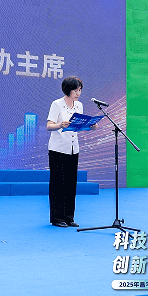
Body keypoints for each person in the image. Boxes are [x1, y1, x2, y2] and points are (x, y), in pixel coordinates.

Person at [46, 76, 96, 228]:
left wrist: (90, 126)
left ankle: (69, 217)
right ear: (67, 90)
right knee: (58, 184)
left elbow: (78, 127)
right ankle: (57, 218)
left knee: (71, 184)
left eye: (80, 90)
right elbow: (49, 125)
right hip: (58, 149)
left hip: (73, 149)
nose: (78, 93)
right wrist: (60, 125)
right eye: (75, 90)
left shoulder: (79, 105)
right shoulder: (57, 104)